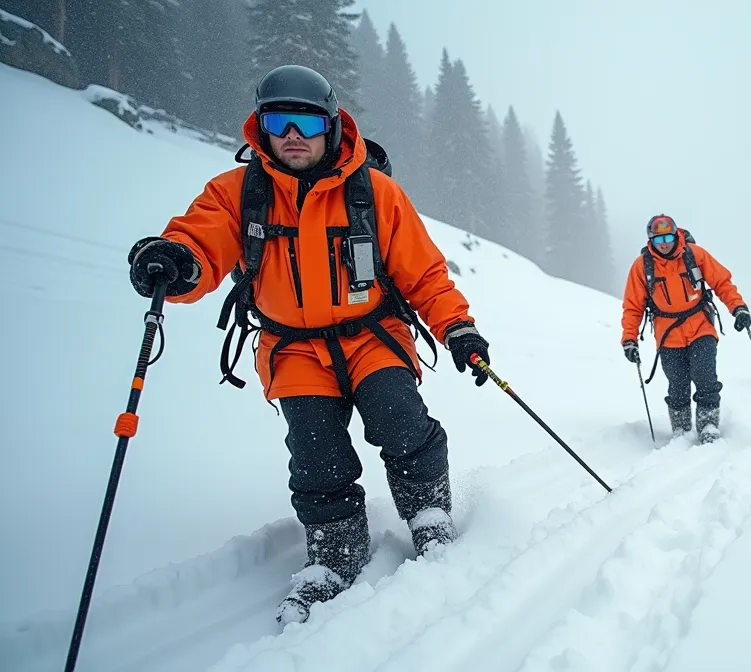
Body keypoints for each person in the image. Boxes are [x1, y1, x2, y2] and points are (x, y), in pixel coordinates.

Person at [125, 65, 491, 625]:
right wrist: (177, 260)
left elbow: (425, 276)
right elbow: (200, 239)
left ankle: (428, 514)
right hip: (293, 349)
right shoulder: (237, 194)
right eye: (278, 120)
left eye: (305, 121)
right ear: (262, 128)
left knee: (400, 420)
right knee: (316, 452)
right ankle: (336, 553)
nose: (292, 134)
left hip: (372, 336)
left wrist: (457, 329)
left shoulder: (376, 193)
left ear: (331, 126)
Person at [620, 215, 750, 443]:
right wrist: (629, 339)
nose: (664, 243)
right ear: (651, 239)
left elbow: (722, 282)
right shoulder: (642, 267)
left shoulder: (695, 255)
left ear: (676, 235)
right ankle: (681, 428)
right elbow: (633, 306)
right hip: (667, 335)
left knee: (705, 376)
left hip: (700, 326)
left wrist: (738, 308)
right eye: (659, 239)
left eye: (668, 237)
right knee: (677, 385)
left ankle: (708, 423)